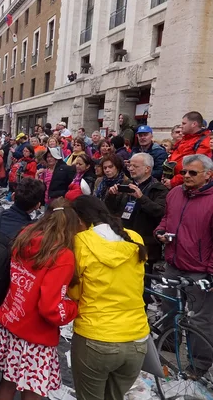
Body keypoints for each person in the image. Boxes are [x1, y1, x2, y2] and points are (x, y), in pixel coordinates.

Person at [0, 198, 78, 400]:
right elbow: (50, 308)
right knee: (33, 390)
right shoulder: (62, 255)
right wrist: (73, 307)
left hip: (11, 322)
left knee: (7, 382)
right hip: (36, 334)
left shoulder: (25, 235)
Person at [70, 195, 149, 400]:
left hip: (96, 338)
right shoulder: (134, 238)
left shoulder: (80, 242)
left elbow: (75, 293)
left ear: (79, 220)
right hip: (137, 339)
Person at [155, 154, 213, 374]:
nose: (186, 176)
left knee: (200, 320)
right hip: (173, 262)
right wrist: (160, 231)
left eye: (192, 173)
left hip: (199, 271)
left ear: (208, 175)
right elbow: (166, 219)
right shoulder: (174, 194)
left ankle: (199, 364)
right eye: (184, 172)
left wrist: (211, 274)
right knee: (169, 307)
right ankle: (169, 345)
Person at [105, 153, 168, 280]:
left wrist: (141, 198)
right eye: (129, 165)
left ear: (147, 169)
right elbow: (111, 210)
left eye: (135, 166)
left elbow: (160, 212)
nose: (131, 169)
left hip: (145, 243)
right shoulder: (127, 185)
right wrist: (111, 195)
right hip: (124, 240)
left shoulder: (158, 189)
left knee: (143, 282)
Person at [165, 111, 212, 189]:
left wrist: (173, 182)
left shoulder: (204, 141)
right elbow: (174, 155)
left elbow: (197, 167)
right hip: (174, 181)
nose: (181, 126)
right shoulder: (185, 139)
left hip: (188, 185)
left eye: (184, 123)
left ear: (194, 124)